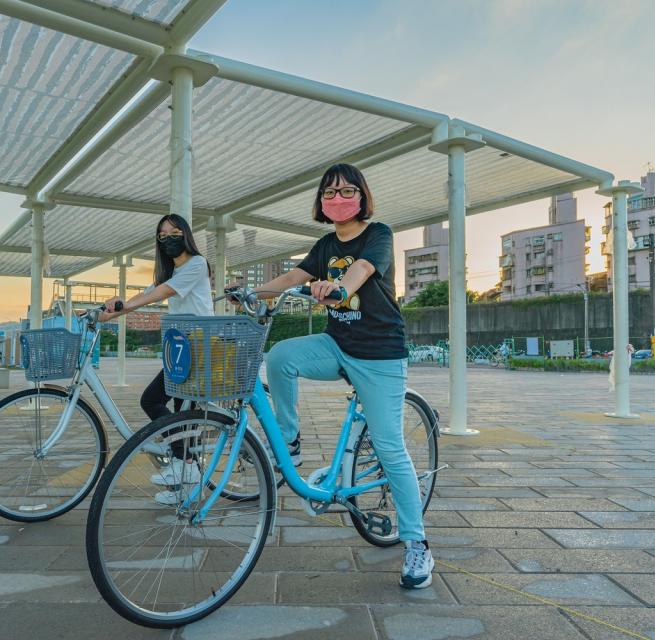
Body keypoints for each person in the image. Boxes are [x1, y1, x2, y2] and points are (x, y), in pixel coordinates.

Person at [231, 163, 433, 590]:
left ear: (362, 196)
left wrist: (339, 286)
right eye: (329, 192)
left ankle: (417, 543)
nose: (337, 199)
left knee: (390, 447)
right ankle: (289, 440)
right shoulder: (324, 244)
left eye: (346, 191)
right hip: (337, 344)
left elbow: (362, 269)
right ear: (320, 202)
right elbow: (293, 277)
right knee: (281, 356)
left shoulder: (378, 234)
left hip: (379, 354)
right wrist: (252, 291)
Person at [100, 214, 214, 505]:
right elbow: (147, 293)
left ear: (185, 234)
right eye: (162, 236)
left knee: (153, 401)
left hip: (199, 348)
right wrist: (101, 314)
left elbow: (160, 294)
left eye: (174, 232)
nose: (169, 239)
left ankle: (186, 464)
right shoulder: (171, 274)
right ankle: (187, 484)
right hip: (182, 351)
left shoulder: (197, 265)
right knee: (179, 413)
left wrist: (125, 304)